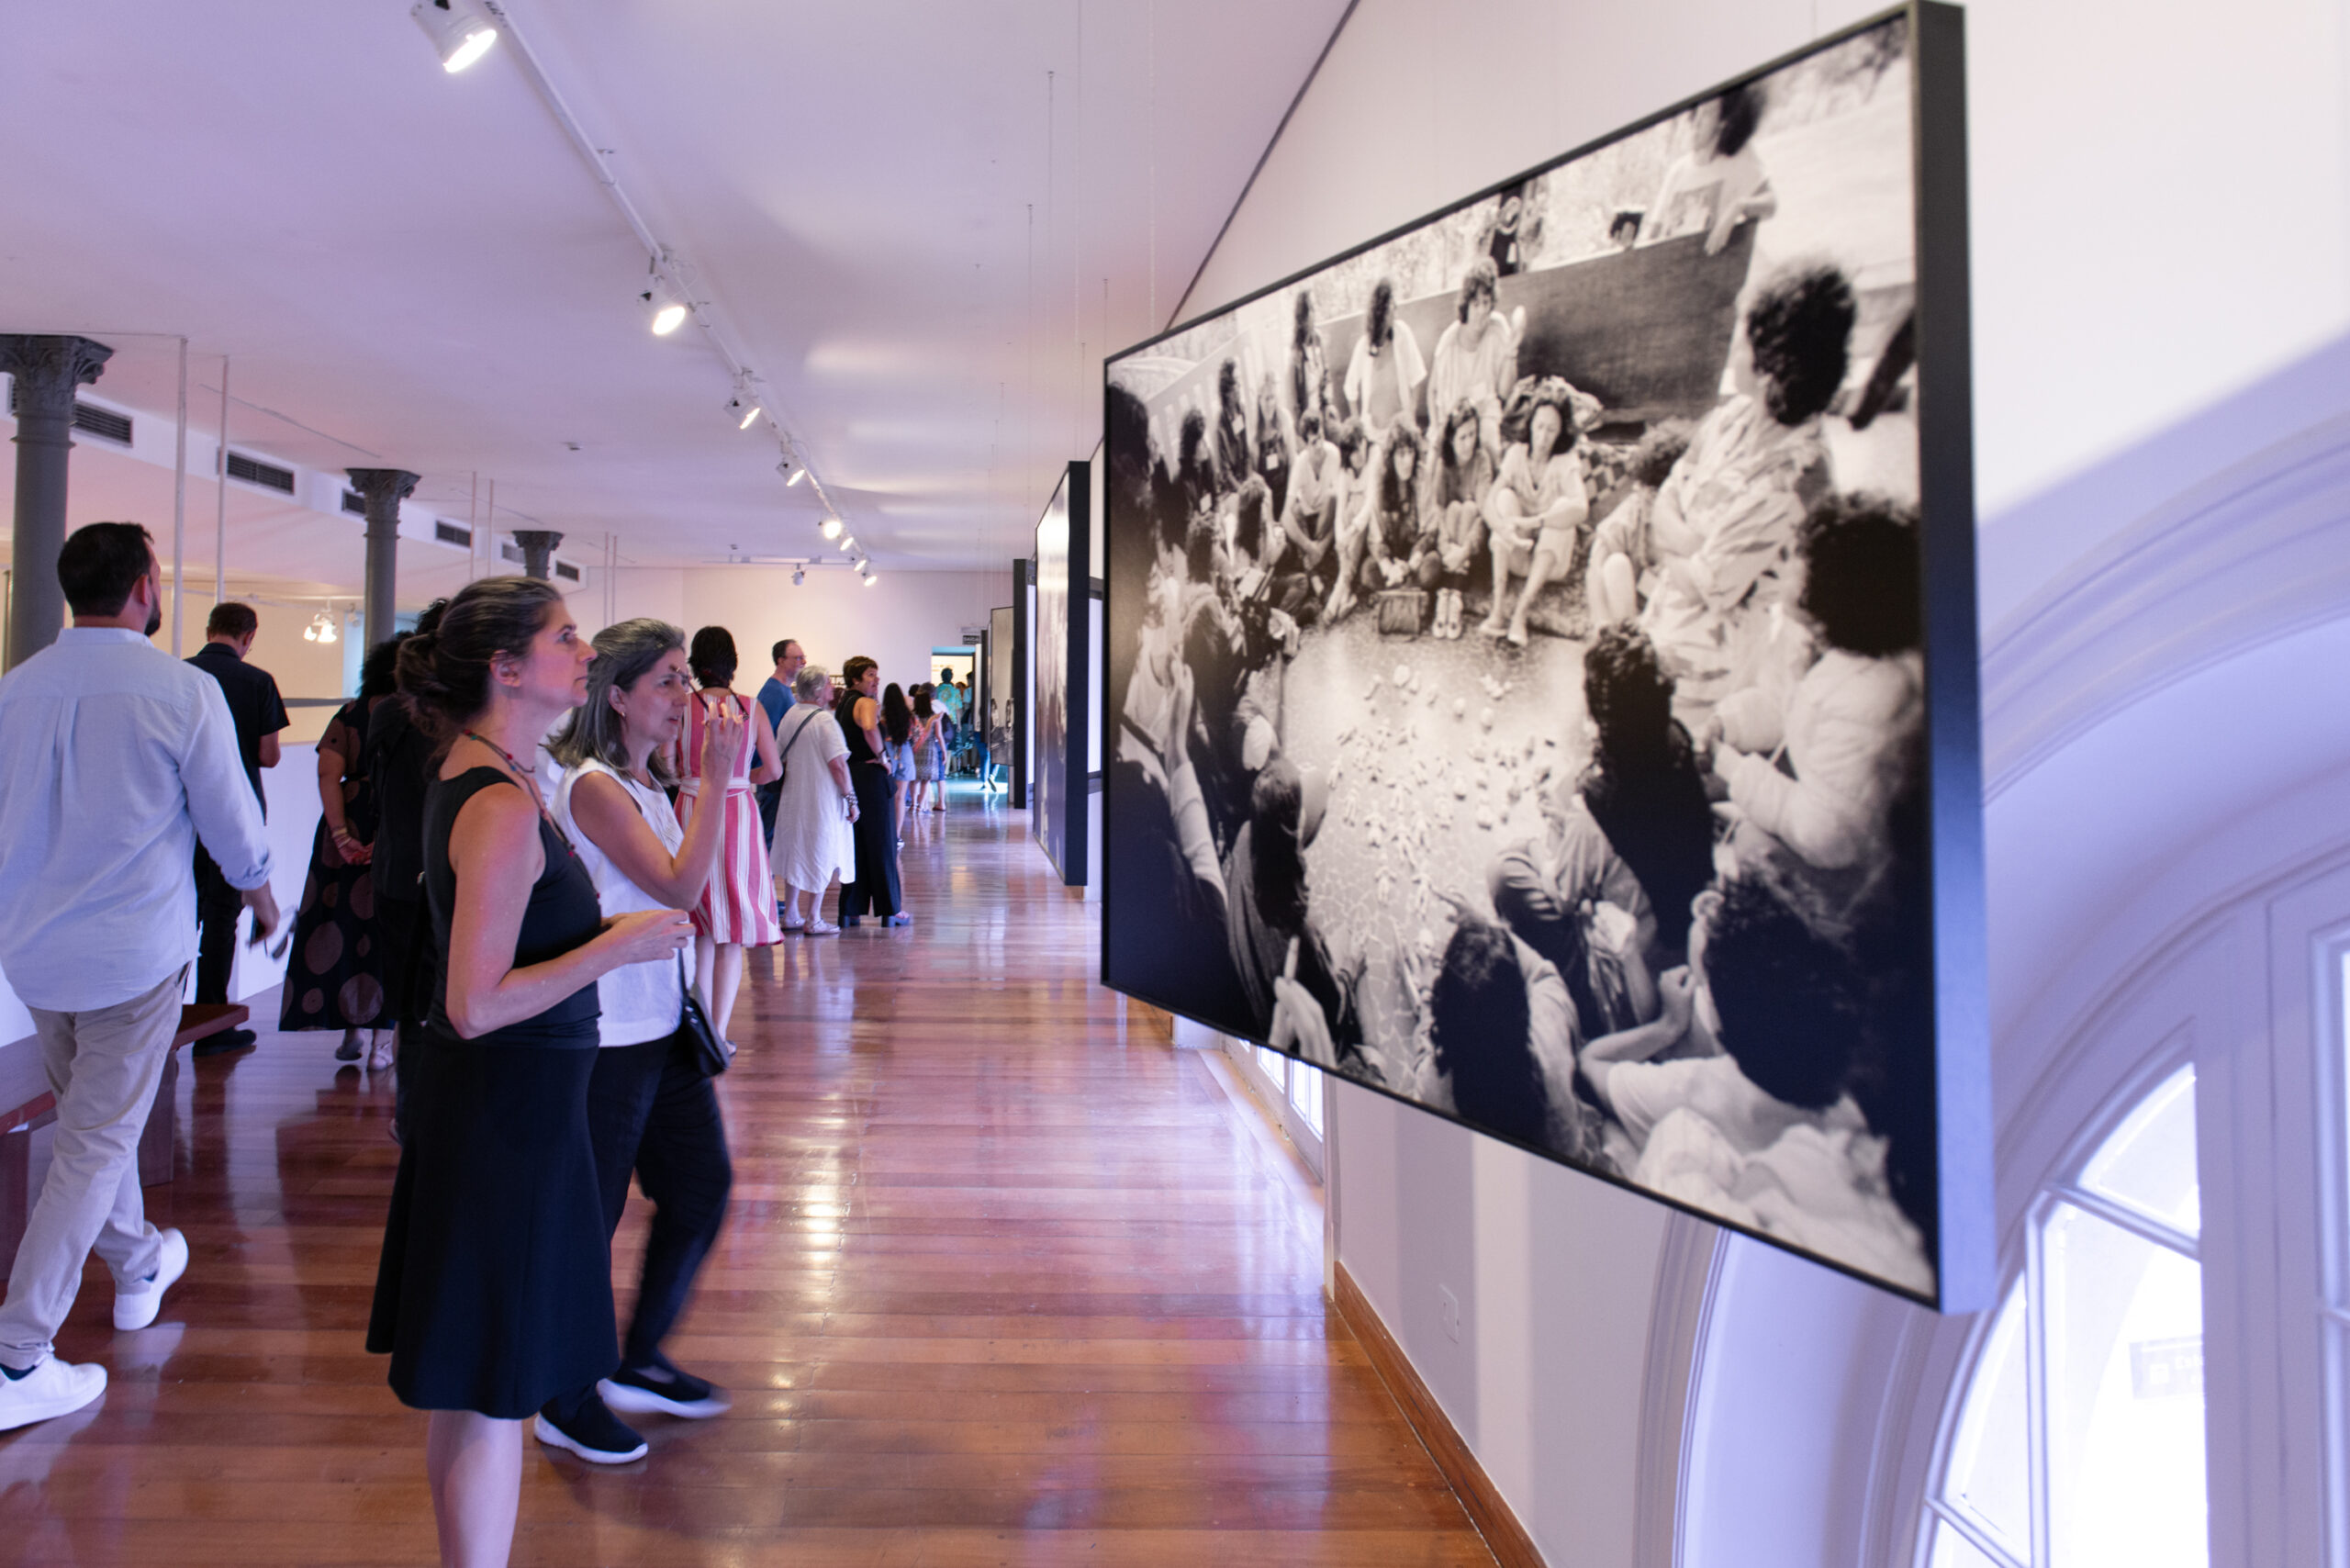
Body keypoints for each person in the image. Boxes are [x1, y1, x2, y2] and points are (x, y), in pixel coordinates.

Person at [366, 575, 693, 1564]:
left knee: (483, 1389)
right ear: (507, 668)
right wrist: (612, 946)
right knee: (490, 1384)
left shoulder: (491, 776)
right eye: (565, 637)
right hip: (503, 1121)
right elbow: (474, 1003)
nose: (584, 652)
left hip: (514, 1115)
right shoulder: (499, 803)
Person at [0, 522, 280, 1432]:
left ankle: (138, 1263)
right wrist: (265, 898)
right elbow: (233, 828)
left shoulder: (15, 690)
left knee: (93, 1122)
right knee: (88, 1142)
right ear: (147, 585)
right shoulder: (180, 690)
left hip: (35, 955)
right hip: (133, 958)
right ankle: (17, 1354)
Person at [536, 618, 743, 1465]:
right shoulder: (592, 786)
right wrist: (719, 779)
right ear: (615, 696)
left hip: (658, 1026)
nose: (683, 696)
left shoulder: (641, 781)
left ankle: (638, 1357)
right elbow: (682, 887)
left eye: (685, 678)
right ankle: (563, 1396)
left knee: (701, 1187)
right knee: (591, 1218)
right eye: (665, 680)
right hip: (608, 1033)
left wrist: (695, 786)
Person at [1640, 264, 1852, 731]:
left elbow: (1708, 584)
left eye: (1741, 340)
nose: (1732, 347)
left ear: (1773, 368)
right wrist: (1692, 544)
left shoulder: (1792, 476)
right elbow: (1664, 500)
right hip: (1661, 618)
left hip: (1706, 673)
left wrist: (1682, 545)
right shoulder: (1731, 416)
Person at [1712, 494, 1924, 920]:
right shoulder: (1814, 636)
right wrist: (1727, 726)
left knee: (1750, 842)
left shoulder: (1875, 695)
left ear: (1834, 590)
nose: (1785, 566)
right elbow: (1780, 705)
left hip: (1848, 876)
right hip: (1817, 805)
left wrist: (1730, 767)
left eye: (1796, 559)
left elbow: (1825, 836)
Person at [279, 637, 397, 1068]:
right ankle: (383, 1044)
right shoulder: (415, 714)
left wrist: (342, 834)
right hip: (395, 826)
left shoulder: (350, 713)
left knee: (342, 926)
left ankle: (352, 1033)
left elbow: (327, 772)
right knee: (390, 928)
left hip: (345, 820)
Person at [1580, 625, 1718, 973]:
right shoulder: (1676, 737)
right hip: (1689, 917)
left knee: (1507, 874)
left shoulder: (1597, 798)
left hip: (1649, 954)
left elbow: (1563, 894)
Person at [186, 599, 289, 1055]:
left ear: (210, 629)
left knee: (179, 913)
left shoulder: (181, 676)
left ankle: (161, 1018)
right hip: (238, 812)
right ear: (248, 637)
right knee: (222, 920)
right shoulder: (259, 681)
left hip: (182, 815)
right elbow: (269, 755)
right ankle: (212, 1026)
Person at [673, 628, 783, 1045]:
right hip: (737, 808)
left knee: (699, 921)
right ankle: (718, 1033)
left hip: (690, 805)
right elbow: (773, 770)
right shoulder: (751, 709)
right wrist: (740, 777)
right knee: (731, 927)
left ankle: (698, 1030)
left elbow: (666, 765)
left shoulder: (683, 707)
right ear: (732, 661)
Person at [364, 598, 447, 1144]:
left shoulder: (388, 711)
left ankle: (413, 1109)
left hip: (397, 870)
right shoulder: (435, 717)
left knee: (411, 1005)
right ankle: (419, 1112)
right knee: (425, 1003)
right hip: (426, 875)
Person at [1481, 378, 1593, 646]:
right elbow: (1489, 502)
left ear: (1560, 432)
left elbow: (1581, 508)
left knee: (1561, 510)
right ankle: (1497, 610)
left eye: (1551, 430)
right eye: (1539, 427)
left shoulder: (1566, 461)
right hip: (1517, 553)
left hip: (1551, 563)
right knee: (1505, 498)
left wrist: (1537, 520)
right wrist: (1503, 527)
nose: (1543, 437)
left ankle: (1520, 613)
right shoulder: (1517, 454)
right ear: (1530, 424)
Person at [1639, 82, 1776, 255]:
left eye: (1706, 114)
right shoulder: (1678, 170)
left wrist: (1739, 206)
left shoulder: (1739, 159)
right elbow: (1653, 235)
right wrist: (1629, 247)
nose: (1696, 122)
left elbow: (1771, 204)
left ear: (1723, 122)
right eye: (1697, 112)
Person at [770, 665, 854, 935]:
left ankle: (792, 913)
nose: (832, 687)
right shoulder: (825, 720)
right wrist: (851, 798)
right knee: (823, 852)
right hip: (821, 799)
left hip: (794, 796)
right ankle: (813, 918)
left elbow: (780, 757)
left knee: (796, 852)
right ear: (818, 691)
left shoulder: (791, 715)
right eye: (828, 683)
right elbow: (838, 765)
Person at [1585, 423, 1694, 626]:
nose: (1650, 499)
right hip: (1633, 612)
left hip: (1675, 611)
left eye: (1658, 494)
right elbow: (1596, 567)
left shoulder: (1692, 519)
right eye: (1647, 492)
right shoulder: (1632, 512)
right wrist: (1602, 626)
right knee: (1615, 563)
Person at [834, 656, 906, 926]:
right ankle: (891, 909)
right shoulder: (865, 702)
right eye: (870, 675)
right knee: (883, 843)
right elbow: (868, 727)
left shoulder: (843, 704)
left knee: (856, 845)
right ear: (856, 679)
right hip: (871, 776)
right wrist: (883, 757)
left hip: (852, 776)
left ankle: (850, 909)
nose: (876, 680)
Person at [1424, 258, 1518, 458]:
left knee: (1489, 443)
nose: (1482, 311)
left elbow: (1505, 392)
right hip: (1454, 418)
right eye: (1476, 304)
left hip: (1484, 416)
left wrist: (1512, 352)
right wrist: (1435, 427)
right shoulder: (1449, 342)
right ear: (1466, 305)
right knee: (1437, 459)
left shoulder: (1498, 329)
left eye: (1486, 303)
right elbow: (1432, 391)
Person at [1427, 400, 1494, 639]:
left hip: (1472, 550)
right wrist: (1446, 549)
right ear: (1452, 439)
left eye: (1472, 435)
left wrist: (1463, 552)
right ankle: (1447, 593)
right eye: (1462, 437)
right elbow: (1438, 509)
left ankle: (1453, 595)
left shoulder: (1482, 459)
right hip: (1449, 548)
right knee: (1453, 507)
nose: (1469, 443)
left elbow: (1485, 514)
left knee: (1469, 507)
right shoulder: (1445, 463)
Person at [1343, 278, 1424, 438]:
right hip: (1373, 433)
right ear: (1380, 312)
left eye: (1395, 305)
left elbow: (1417, 376)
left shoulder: (1402, 334)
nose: (1396, 310)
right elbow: (1349, 388)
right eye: (1391, 307)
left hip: (1399, 431)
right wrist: (1358, 427)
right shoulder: (1364, 345)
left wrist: (1411, 417)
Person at [753, 638, 804, 855]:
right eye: (798, 658)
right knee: (767, 835)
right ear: (781, 660)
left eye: (804, 658)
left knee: (770, 834)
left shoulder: (781, 690)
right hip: (771, 776)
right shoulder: (774, 692)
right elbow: (755, 726)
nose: (803, 662)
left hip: (774, 774)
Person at [881, 681, 915, 835]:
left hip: (887, 751)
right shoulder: (908, 717)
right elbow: (913, 735)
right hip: (905, 751)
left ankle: (886, 832)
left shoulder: (882, 716)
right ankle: (897, 835)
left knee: (887, 795)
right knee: (900, 798)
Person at [909, 685, 946, 814]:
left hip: (914, 748)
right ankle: (920, 806)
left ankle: (913, 804)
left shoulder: (912, 716)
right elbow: (939, 736)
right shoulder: (933, 716)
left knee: (914, 779)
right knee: (926, 779)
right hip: (929, 749)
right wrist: (944, 752)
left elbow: (910, 733)